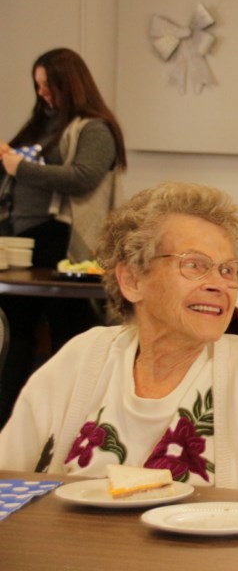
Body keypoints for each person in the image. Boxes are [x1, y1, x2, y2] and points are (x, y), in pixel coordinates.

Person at [0, 182, 238, 496]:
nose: (218, 284)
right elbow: (7, 480)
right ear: (132, 279)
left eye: (228, 270)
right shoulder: (83, 358)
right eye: (194, 265)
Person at [0, 47, 126, 427]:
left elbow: (82, 176)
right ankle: (14, 423)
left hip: (61, 242)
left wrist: (19, 166)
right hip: (22, 240)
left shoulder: (95, 128)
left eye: (48, 85)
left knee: (68, 337)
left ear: (68, 83)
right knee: (18, 333)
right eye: (37, 85)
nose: (41, 93)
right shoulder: (44, 126)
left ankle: (67, 426)